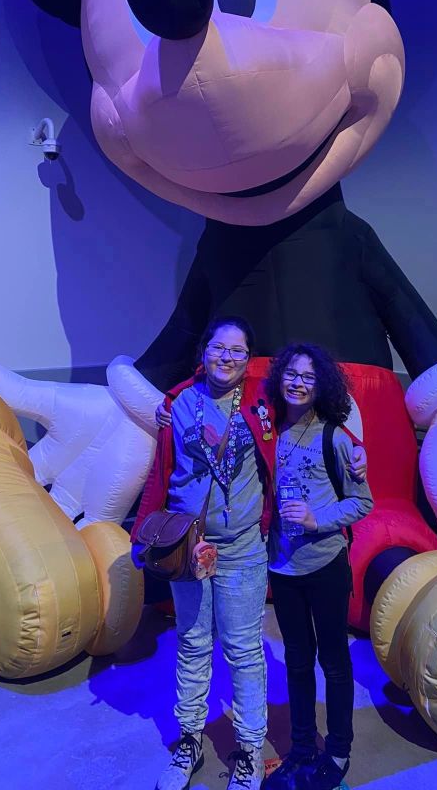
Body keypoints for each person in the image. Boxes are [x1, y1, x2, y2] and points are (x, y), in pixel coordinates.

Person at [135, 316, 272, 790]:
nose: (226, 357)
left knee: (243, 650)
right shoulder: (178, 403)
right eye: (219, 347)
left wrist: (352, 450)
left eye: (237, 350)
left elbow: (309, 421)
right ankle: (189, 740)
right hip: (188, 547)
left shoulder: (262, 402)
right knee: (193, 643)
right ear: (205, 351)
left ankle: (249, 751)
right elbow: (161, 470)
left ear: (248, 358)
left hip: (243, 547)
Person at [263, 343, 373, 790]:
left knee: (333, 660)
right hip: (282, 568)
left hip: (326, 564)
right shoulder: (267, 431)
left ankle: (339, 751)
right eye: (292, 373)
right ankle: (302, 747)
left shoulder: (336, 438)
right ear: (279, 378)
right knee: (296, 660)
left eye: (308, 376)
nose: (298, 383)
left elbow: (362, 502)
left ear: (321, 384)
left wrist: (317, 519)